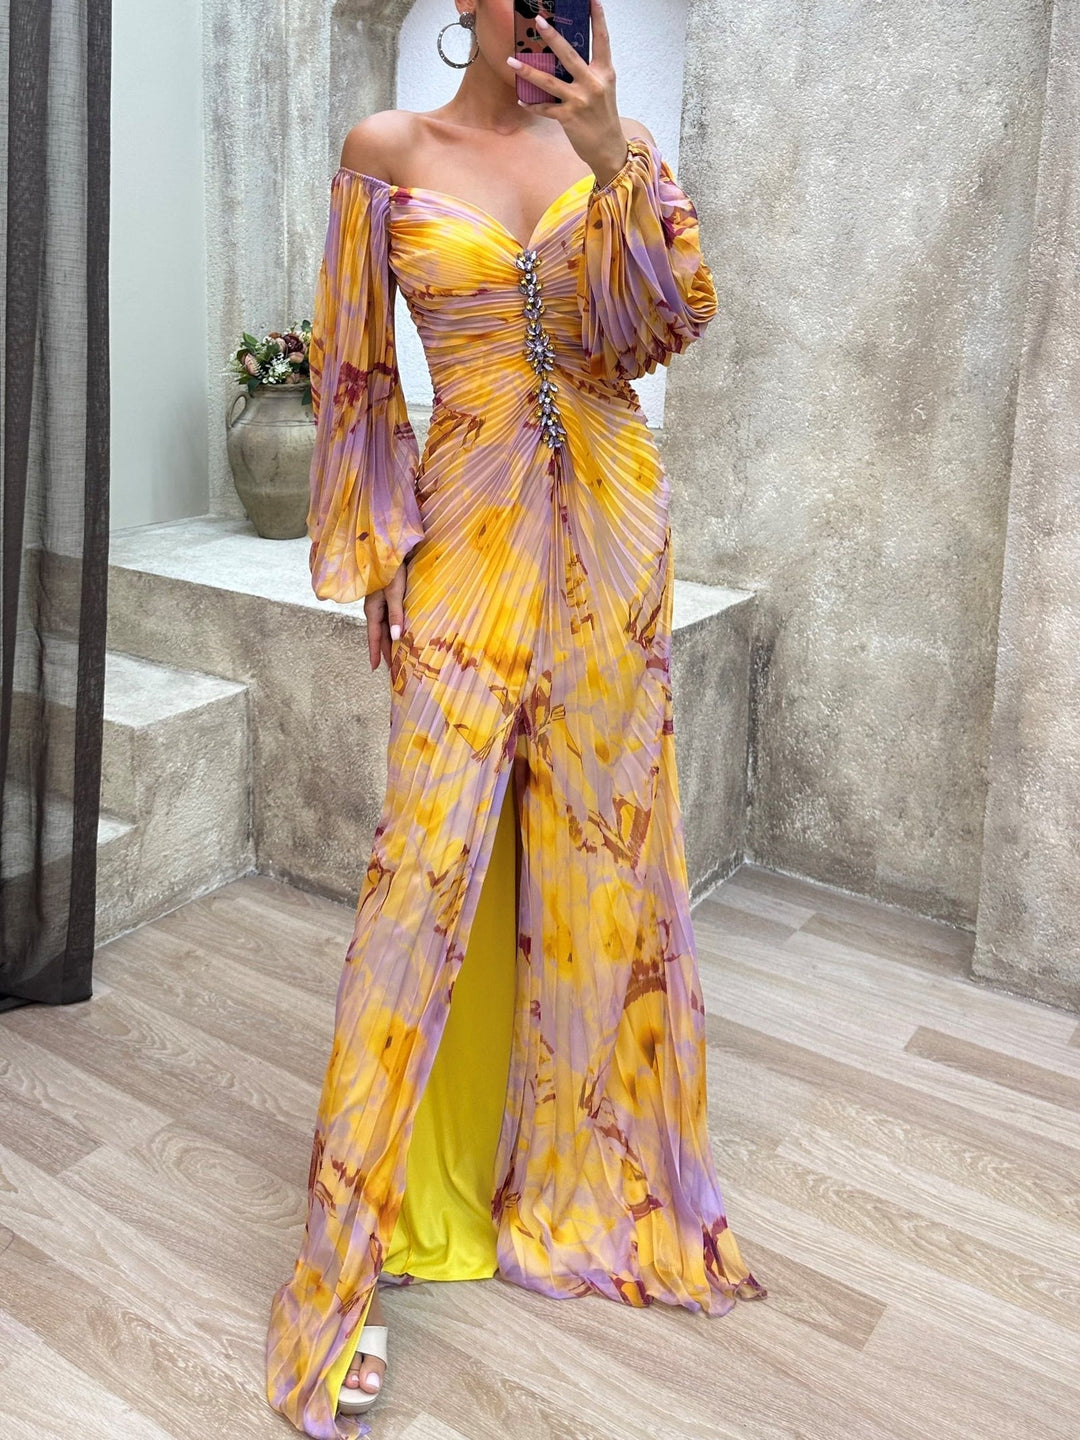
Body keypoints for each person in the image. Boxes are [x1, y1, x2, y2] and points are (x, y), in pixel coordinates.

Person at [266, 2, 767, 1434]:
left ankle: (565, 1170)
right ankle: (370, 1231)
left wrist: (615, 158)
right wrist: (373, 552)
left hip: (612, 532)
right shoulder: (387, 147)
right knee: (425, 866)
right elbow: (355, 370)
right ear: (465, 8)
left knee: (603, 855)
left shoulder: (613, 144)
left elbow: (664, 327)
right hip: (467, 530)